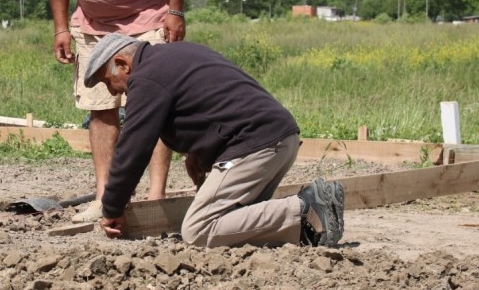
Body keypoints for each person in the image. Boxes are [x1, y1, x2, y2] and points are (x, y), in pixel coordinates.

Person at [82, 33, 346, 248]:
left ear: (123, 64)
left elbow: (133, 148)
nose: (113, 91)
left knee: (199, 229)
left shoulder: (147, 77)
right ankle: (308, 228)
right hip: (280, 140)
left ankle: (306, 207)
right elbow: (214, 103)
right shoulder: (175, 55)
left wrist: (112, 207)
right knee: (237, 224)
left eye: (108, 81)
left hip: (256, 146)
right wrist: (201, 151)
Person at [39, 0, 191, 222]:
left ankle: (156, 197)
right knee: (100, 107)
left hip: (149, 20)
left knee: (155, 108)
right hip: (92, 25)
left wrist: (175, 9)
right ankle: (107, 199)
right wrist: (61, 27)